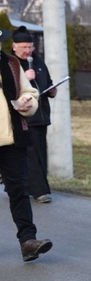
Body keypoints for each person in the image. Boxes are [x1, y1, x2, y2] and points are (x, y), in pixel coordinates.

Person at [0, 28, 52, 262]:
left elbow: (30, 92)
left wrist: (26, 102)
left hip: (13, 138)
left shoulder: (10, 63)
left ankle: (28, 241)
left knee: (19, 190)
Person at [10, 26, 56, 204]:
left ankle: (20, 185)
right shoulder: (10, 64)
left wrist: (52, 91)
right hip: (22, 116)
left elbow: (49, 83)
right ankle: (40, 191)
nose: (28, 51)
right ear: (14, 47)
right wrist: (24, 78)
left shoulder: (38, 63)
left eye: (30, 47)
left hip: (41, 116)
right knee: (30, 154)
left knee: (40, 154)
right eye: (24, 47)